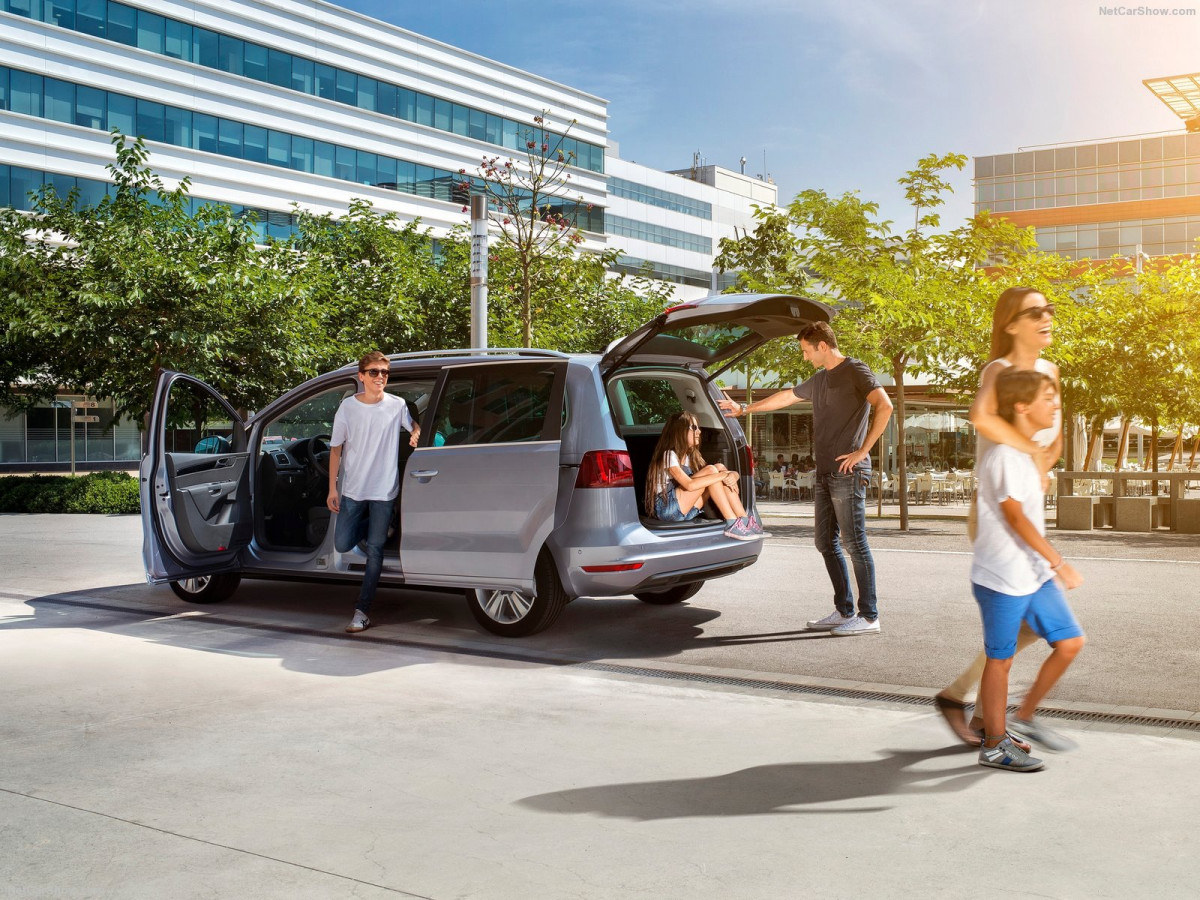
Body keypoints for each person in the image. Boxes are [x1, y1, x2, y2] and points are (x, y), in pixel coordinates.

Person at [934, 287, 1065, 745]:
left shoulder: (1050, 371)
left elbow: (1056, 440)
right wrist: (1031, 452)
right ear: (1010, 324)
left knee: (1036, 623)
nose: (1046, 316)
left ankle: (968, 702)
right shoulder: (1000, 370)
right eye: (1035, 312)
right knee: (1024, 619)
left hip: (1030, 506)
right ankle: (981, 713)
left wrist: (1043, 466)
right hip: (997, 511)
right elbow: (981, 418)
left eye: (1049, 309)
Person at [720, 322, 894, 636]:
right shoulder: (820, 379)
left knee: (854, 543)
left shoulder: (856, 370)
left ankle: (869, 617)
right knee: (825, 543)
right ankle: (844, 611)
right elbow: (786, 397)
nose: (804, 357)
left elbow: (885, 406)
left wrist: (862, 451)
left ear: (822, 346)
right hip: (825, 471)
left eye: (806, 350)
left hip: (848, 471)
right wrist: (744, 409)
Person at [971, 368, 1085, 771]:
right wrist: (1060, 562)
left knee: (1069, 641)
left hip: (1032, 573)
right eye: (1048, 398)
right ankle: (994, 744)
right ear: (1021, 406)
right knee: (1000, 660)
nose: (1055, 405)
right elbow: (1015, 518)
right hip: (1001, 577)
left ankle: (1024, 717)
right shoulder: (1003, 455)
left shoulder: (1023, 453)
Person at [327, 351, 420, 633]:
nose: (380, 377)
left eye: (384, 373)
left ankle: (362, 611)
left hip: (384, 490)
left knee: (375, 551)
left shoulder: (397, 405)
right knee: (342, 543)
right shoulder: (348, 408)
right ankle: (383, 528)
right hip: (354, 489)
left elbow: (412, 423)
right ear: (361, 376)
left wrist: (416, 430)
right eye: (374, 372)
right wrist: (332, 487)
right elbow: (335, 448)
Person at [644, 411, 760, 540]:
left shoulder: (689, 457)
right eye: (694, 428)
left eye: (698, 427)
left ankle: (745, 520)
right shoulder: (669, 455)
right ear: (679, 431)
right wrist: (722, 476)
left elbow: (719, 472)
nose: (699, 431)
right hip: (666, 510)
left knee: (718, 468)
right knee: (712, 471)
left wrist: (733, 476)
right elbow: (689, 485)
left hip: (686, 510)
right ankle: (732, 522)